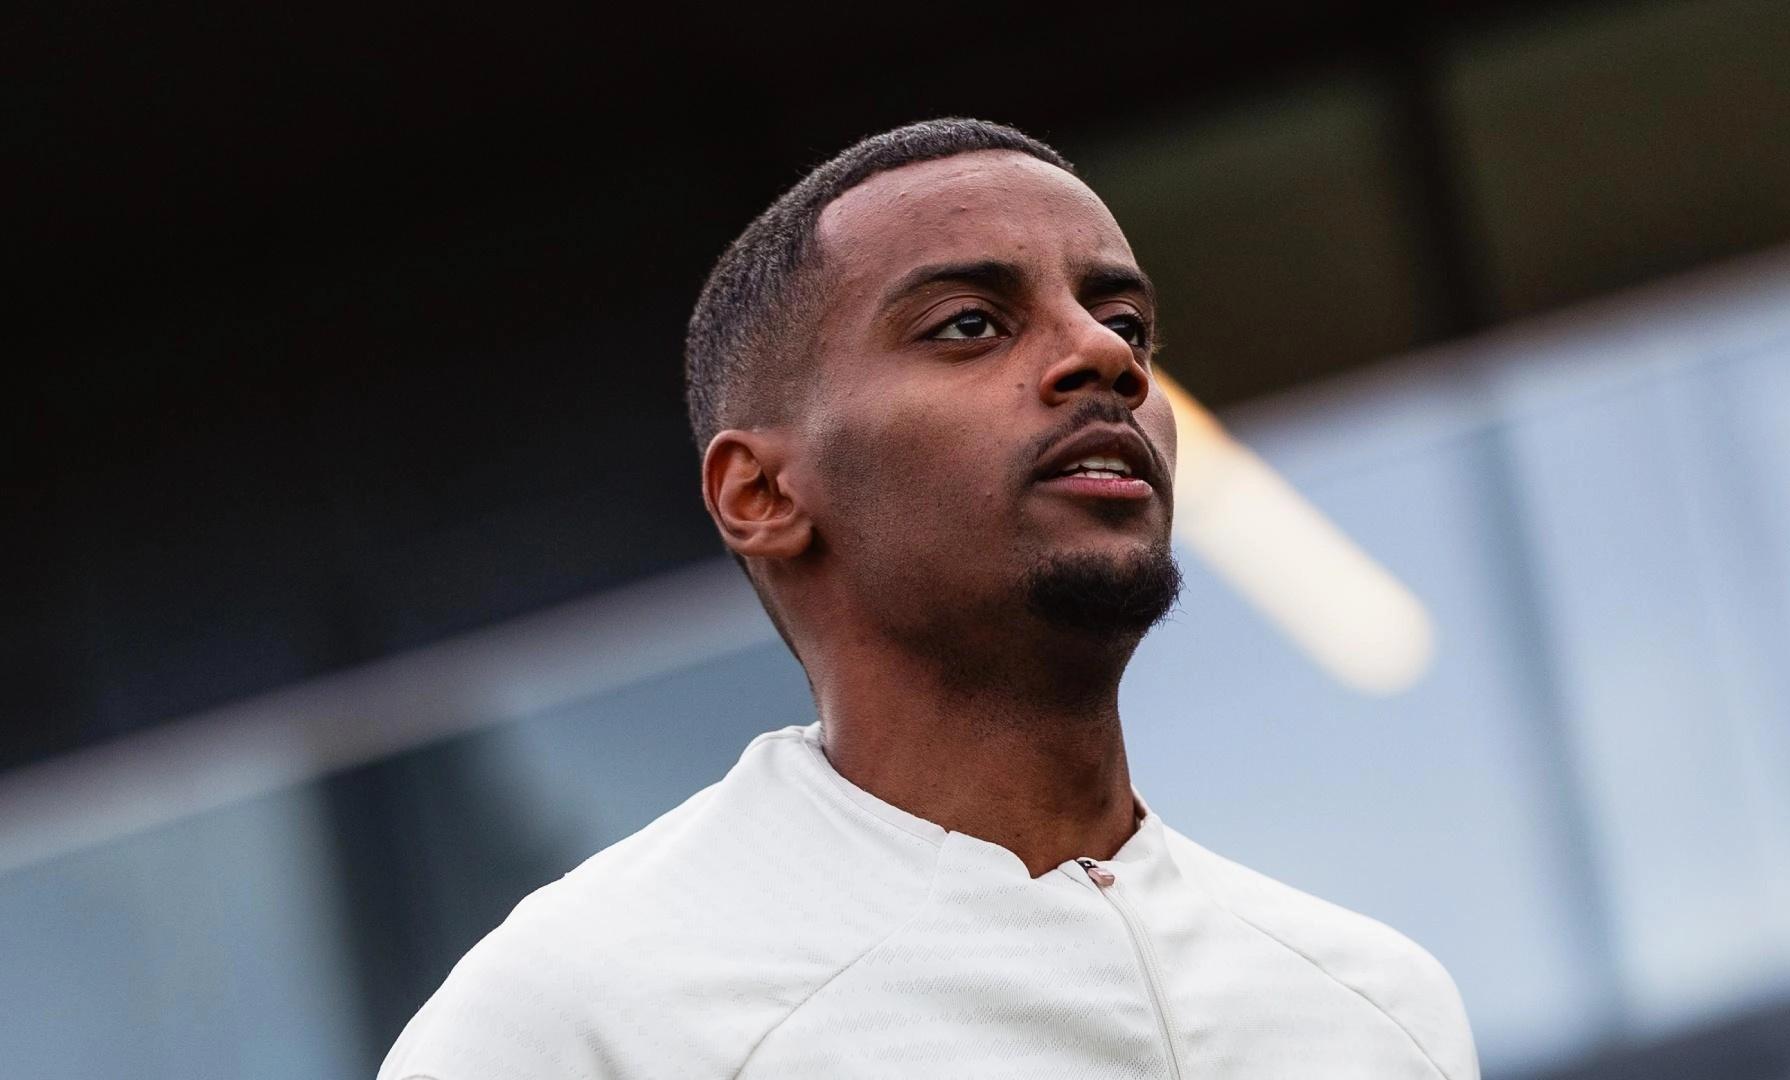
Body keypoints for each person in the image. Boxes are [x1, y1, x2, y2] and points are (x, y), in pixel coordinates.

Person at [380, 117, 1478, 1080]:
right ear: (762, 493)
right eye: (969, 324)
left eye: (1128, 324)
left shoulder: (1378, 1009)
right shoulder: (581, 1014)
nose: (1105, 356)